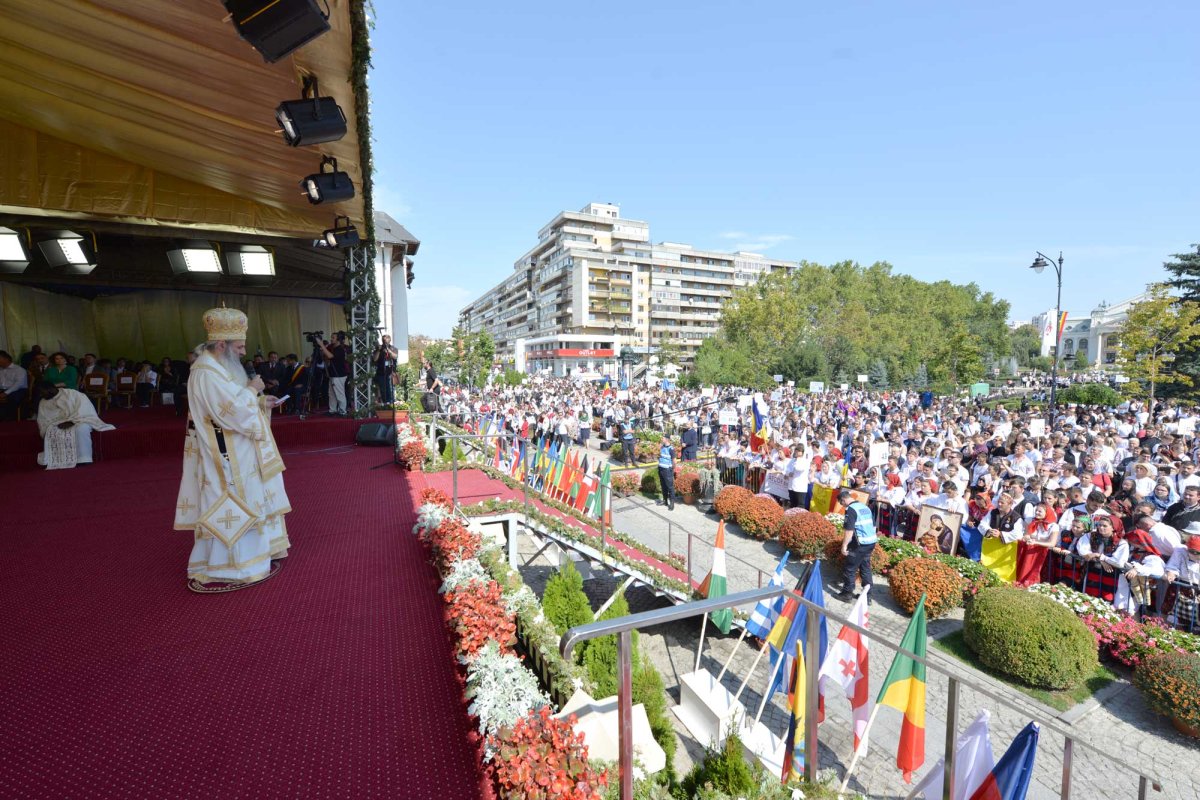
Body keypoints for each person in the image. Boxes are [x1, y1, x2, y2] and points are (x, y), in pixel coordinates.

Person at [174, 305, 291, 588]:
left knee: (251, 499)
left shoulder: (220, 369)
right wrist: (253, 389)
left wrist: (263, 401)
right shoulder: (205, 373)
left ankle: (255, 555)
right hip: (225, 456)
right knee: (235, 503)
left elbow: (234, 402)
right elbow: (231, 412)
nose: (242, 352)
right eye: (239, 346)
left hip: (239, 449)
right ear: (222, 345)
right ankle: (235, 567)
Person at [34, 380, 114, 468]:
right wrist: (51, 428)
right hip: (56, 425)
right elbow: (42, 420)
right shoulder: (43, 402)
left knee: (81, 428)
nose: (41, 395)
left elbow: (84, 408)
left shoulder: (72, 394)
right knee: (51, 432)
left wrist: (71, 421)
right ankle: (58, 460)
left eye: (42, 392)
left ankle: (84, 459)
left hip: (78, 420)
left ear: (50, 389)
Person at [836, 489, 877, 600]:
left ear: (843, 499)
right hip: (870, 542)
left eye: (841, 503)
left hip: (859, 544)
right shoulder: (865, 507)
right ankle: (867, 596)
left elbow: (849, 530)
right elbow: (873, 525)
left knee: (850, 568)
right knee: (865, 568)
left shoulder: (851, 509)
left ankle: (847, 594)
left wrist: (844, 546)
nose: (842, 505)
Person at [320, 332, 349, 416]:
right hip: (333, 374)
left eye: (333, 338)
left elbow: (330, 356)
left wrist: (322, 345)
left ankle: (343, 411)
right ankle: (332, 410)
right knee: (331, 394)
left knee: (339, 393)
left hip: (339, 374)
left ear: (338, 340)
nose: (331, 339)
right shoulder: (333, 347)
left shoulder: (340, 349)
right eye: (331, 337)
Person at [0, 350, 28, 421]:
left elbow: (18, 384)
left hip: (17, 390)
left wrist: (5, 393)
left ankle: (10, 420)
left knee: (12, 398)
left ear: (6, 359)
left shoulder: (19, 370)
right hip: (2, 390)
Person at [374, 335, 398, 405]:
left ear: (390, 341)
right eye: (384, 342)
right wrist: (379, 350)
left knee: (390, 390)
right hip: (381, 373)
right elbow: (375, 359)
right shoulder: (379, 349)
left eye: (387, 342)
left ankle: (391, 403)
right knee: (382, 390)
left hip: (390, 373)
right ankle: (385, 404)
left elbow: (395, 356)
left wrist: (388, 350)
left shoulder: (393, 348)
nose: (385, 343)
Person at [657, 436, 676, 511]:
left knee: (670, 487)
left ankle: (672, 503)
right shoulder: (662, 447)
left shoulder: (671, 449)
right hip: (661, 468)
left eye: (663, 438)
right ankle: (665, 501)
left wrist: (672, 469)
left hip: (667, 470)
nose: (661, 439)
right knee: (663, 485)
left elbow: (674, 461)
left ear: (667, 440)